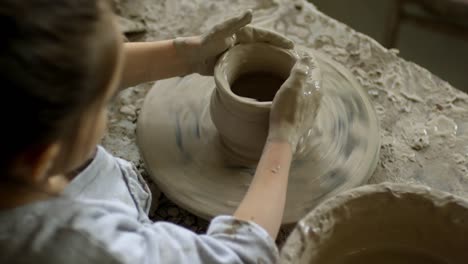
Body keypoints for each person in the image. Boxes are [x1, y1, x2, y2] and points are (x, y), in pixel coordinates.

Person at [0, 0, 321, 263]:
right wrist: (282, 137)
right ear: (43, 158)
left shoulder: (17, 140)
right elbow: (240, 256)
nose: (107, 113)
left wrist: (186, 54)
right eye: (104, 102)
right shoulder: (82, 245)